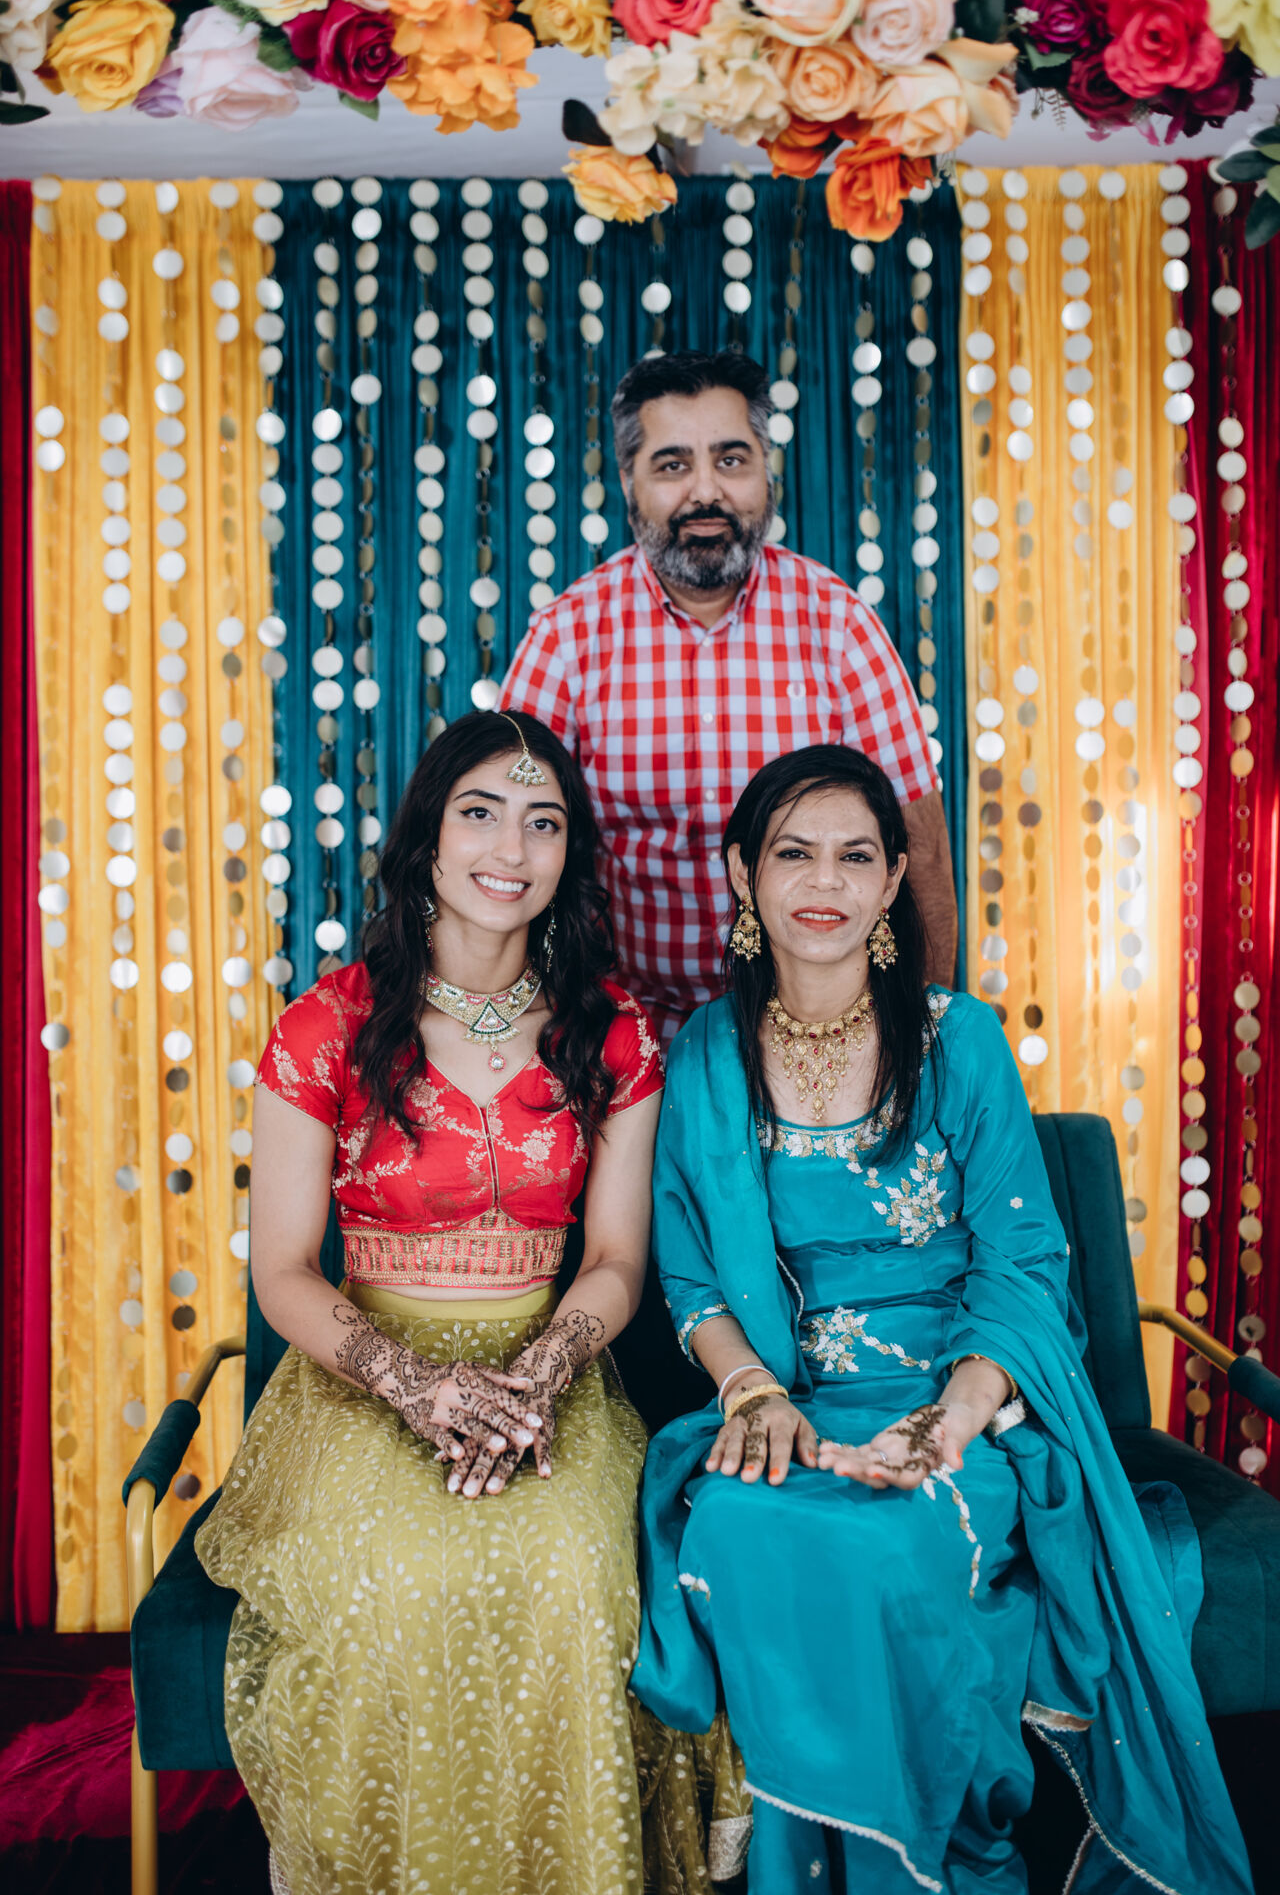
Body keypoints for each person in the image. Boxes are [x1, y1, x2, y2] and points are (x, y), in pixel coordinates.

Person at [630, 744, 1253, 1895]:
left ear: (889, 881)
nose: (823, 881)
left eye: (854, 856)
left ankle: (913, 1870)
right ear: (739, 873)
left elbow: (1020, 1261)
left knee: (885, 1548)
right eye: (793, 854)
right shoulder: (706, 1054)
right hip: (784, 1403)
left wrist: (950, 1421)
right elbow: (692, 1280)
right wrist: (752, 1393)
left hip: (956, 1405)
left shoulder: (955, 1038)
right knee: (741, 1527)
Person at [195, 711, 741, 1895]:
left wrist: (534, 1379)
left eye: (543, 822)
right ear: (428, 840)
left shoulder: (612, 1032)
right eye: (481, 813)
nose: (511, 847)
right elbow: (282, 1270)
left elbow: (614, 1261)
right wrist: (414, 1385)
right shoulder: (327, 1027)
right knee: (397, 1578)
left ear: (568, 854)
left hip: (547, 1370)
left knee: (576, 1576)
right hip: (362, 1372)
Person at [501, 347, 956, 1049]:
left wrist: (919, 1048)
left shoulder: (839, 625)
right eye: (672, 465)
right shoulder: (566, 638)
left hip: (817, 1040)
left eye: (731, 459)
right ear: (628, 481)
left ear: (766, 471)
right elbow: (507, 843)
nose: (706, 492)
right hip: (622, 1041)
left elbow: (918, 851)